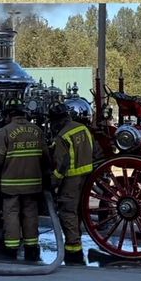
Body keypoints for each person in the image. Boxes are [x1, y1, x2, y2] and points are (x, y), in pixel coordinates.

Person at [0, 100, 47, 263]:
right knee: (30, 214)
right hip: (33, 183)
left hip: (11, 184)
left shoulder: (5, 131)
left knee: (11, 214)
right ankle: (31, 249)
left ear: (10, 115)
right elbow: (46, 157)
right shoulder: (37, 130)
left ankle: (11, 248)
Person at [48, 102, 93, 267]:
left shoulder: (62, 136)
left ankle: (73, 250)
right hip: (87, 177)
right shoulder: (83, 128)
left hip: (71, 180)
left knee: (67, 212)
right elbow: (95, 151)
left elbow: (61, 164)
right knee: (79, 212)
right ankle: (77, 242)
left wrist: (53, 182)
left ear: (56, 121)